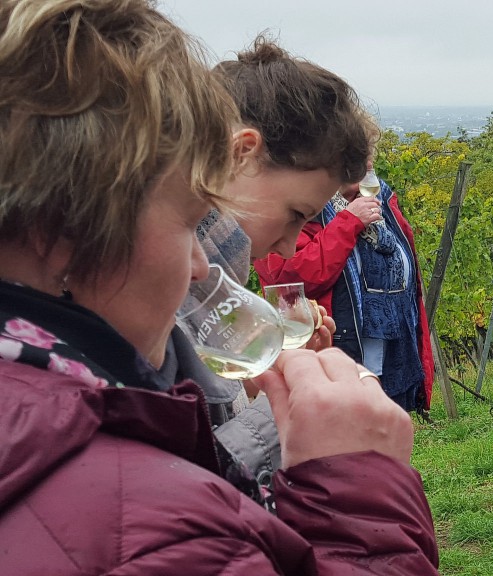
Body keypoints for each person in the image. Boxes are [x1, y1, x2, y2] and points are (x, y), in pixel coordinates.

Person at [0, 1, 439, 573]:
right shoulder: (152, 532)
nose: (200, 266)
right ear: (63, 229)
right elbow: (175, 501)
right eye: (190, 219)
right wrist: (355, 484)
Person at [159, 36, 375, 493]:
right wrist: (289, 418)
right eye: (296, 214)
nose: (287, 246)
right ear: (244, 153)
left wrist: (266, 378)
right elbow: (176, 488)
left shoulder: (204, 282)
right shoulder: (154, 290)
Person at [254, 153, 435, 415]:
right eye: (359, 166)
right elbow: (287, 281)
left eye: (370, 166)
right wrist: (348, 222)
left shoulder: (379, 201)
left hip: (389, 353)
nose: (369, 173)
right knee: (345, 435)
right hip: (330, 354)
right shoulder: (298, 206)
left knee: (385, 428)